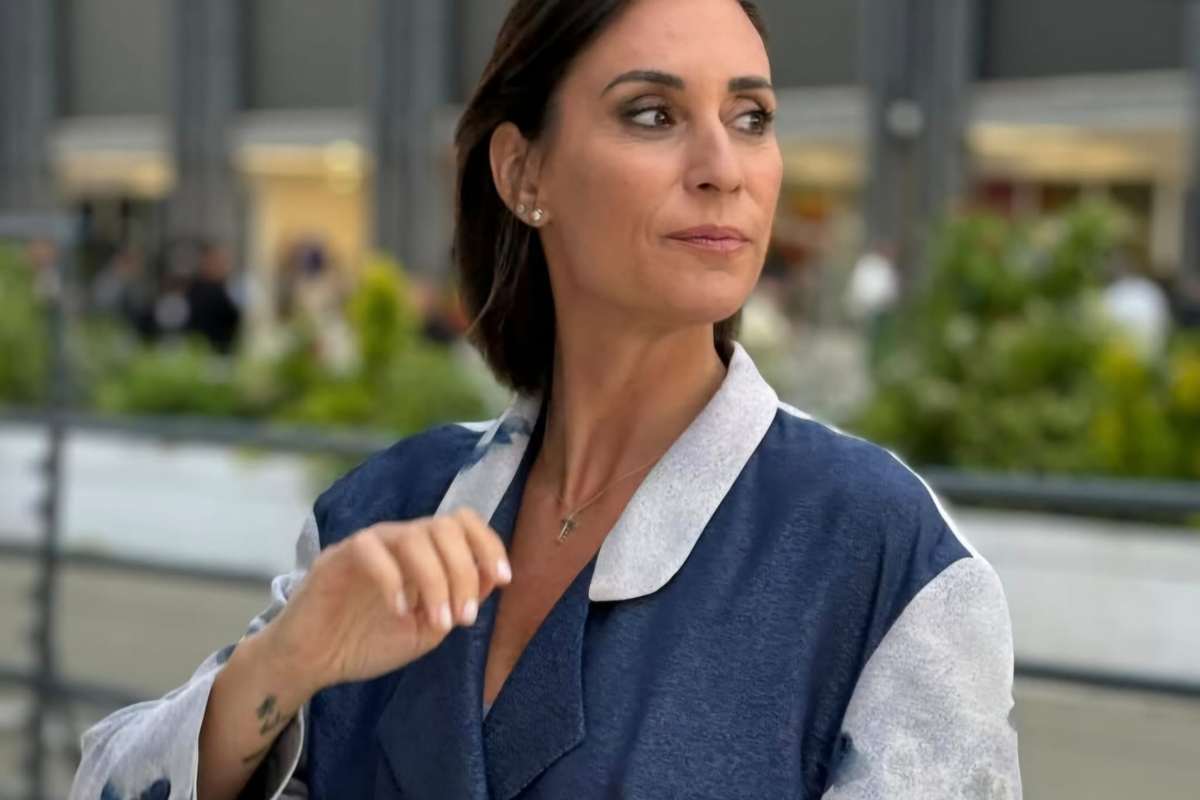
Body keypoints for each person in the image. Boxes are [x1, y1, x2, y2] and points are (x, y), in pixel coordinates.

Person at [70, 1, 1022, 798]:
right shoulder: (384, 514)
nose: (722, 167)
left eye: (751, 117)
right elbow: (106, 780)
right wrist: (284, 661)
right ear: (524, 172)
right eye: (652, 113)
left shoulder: (884, 559)